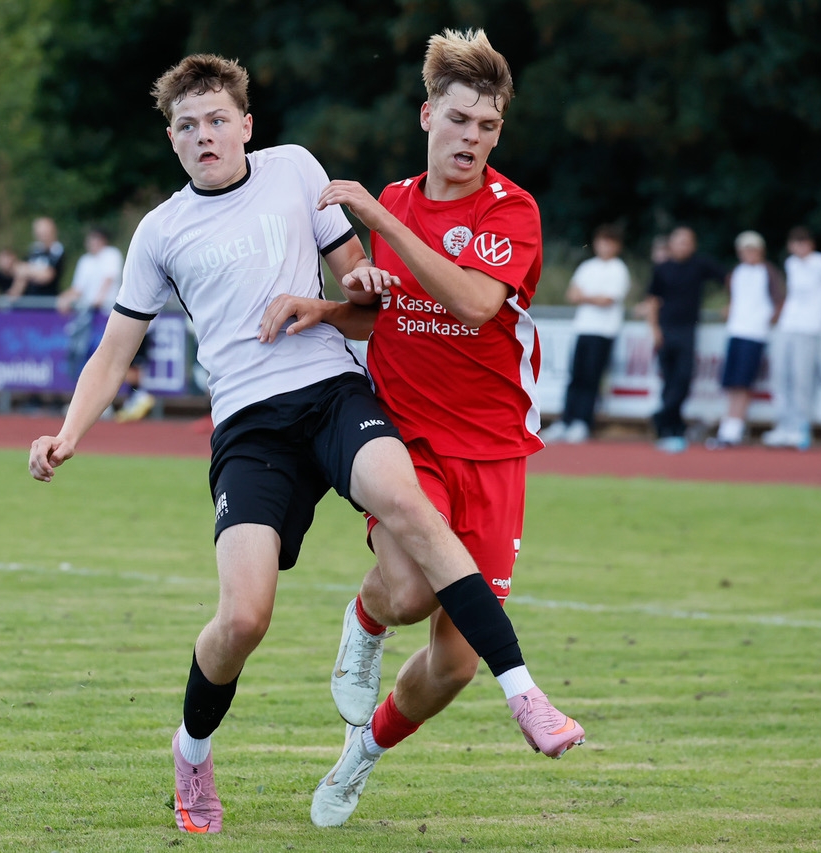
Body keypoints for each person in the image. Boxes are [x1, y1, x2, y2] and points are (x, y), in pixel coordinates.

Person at [29, 52, 580, 835]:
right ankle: (192, 749)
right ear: (171, 139)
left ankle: (523, 692)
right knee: (244, 617)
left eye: (218, 120)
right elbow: (115, 349)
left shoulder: (295, 170)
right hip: (249, 427)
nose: (204, 135)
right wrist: (68, 431)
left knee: (411, 511)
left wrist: (353, 289)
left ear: (246, 126)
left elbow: (358, 285)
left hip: (333, 394)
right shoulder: (159, 232)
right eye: (187, 126)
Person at [256, 28, 584, 829]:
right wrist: (326, 308)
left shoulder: (510, 210)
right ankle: (365, 620)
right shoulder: (396, 202)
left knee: (454, 663)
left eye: (488, 125)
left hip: (495, 451)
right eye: (460, 118)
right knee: (405, 591)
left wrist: (382, 222)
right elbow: (386, 316)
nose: (472, 137)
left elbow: (472, 304)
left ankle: (363, 749)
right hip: (408, 440)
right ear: (427, 114)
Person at [761, 226, 821, 449]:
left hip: (810, 328)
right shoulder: (791, 263)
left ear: (810, 244)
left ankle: (801, 427)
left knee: (802, 378)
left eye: (803, 242)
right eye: (795, 243)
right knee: (782, 376)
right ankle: (784, 425)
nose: (799, 247)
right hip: (787, 326)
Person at [543, 224, 631, 444]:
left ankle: (583, 422)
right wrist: (592, 297)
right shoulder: (587, 266)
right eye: (601, 241)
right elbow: (572, 294)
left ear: (617, 246)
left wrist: (586, 296)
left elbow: (608, 299)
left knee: (591, 378)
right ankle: (566, 420)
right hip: (583, 328)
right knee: (575, 376)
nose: (604, 246)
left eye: (609, 242)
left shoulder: (618, 269)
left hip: (604, 332)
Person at [640, 226, 725, 452]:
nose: (683, 246)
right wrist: (654, 329)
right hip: (665, 329)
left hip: (688, 329)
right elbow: (652, 299)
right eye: (679, 241)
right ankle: (671, 428)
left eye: (687, 242)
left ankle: (662, 416)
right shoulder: (662, 268)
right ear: (671, 244)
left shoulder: (700, 265)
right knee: (669, 380)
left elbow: (728, 278)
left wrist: (732, 304)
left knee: (684, 378)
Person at [706, 231, 784, 449]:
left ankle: (734, 429)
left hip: (755, 334)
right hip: (736, 331)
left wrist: (766, 320)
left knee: (743, 382)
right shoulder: (737, 272)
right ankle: (728, 426)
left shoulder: (768, 272)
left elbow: (779, 301)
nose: (748, 253)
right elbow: (734, 299)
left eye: (752, 249)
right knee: (731, 382)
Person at [58, 227, 123, 381]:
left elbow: (109, 279)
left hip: (107, 314)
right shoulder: (85, 261)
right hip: (89, 316)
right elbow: (78, 288)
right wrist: (64, 298)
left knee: (105, 354)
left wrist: (98, 300)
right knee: (85, 353)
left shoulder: (111, 254)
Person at [4, 216, 66, 300]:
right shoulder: (34, 249)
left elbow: (47, 276)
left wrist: (28, 271)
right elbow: (19, 270)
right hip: (29, 299)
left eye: (44, 231)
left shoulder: (57, 250)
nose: (42, 235)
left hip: (48, 300)